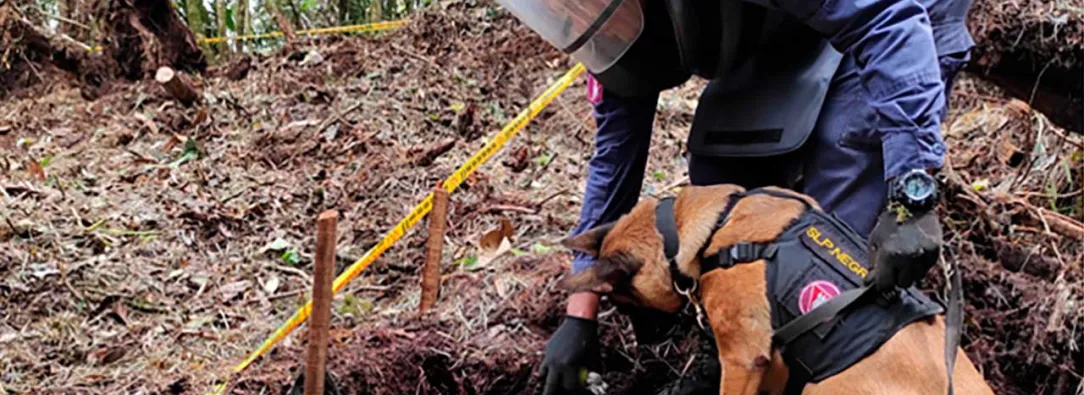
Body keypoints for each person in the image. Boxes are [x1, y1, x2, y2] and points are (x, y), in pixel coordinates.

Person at [494, 0, 975, 393]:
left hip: (893, 17)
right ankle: (734, 358)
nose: (586, 20)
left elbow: (887, 20)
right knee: (718, 168)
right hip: (777, 27)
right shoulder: (609, 31)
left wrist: (911, 194)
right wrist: (582, 315)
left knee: (827, 229)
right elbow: (615, 159)